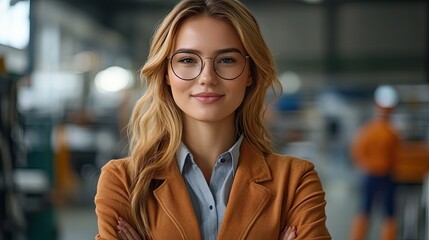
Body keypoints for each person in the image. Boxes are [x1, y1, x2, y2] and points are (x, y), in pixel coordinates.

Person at [94, 0, 331, 239]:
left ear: (250, 73)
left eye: (227, 60)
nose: (207, 77)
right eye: (187, 60)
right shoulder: (123, 181)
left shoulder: (295, 181)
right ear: (166, 73)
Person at [349, 85, 400, 240]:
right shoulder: (391, 133)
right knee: (388, 211)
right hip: (383, 175)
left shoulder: (367, 131)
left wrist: (365, 165)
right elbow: (396, 156)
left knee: (366, 208)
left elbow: (356, 153)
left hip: (372, 174)